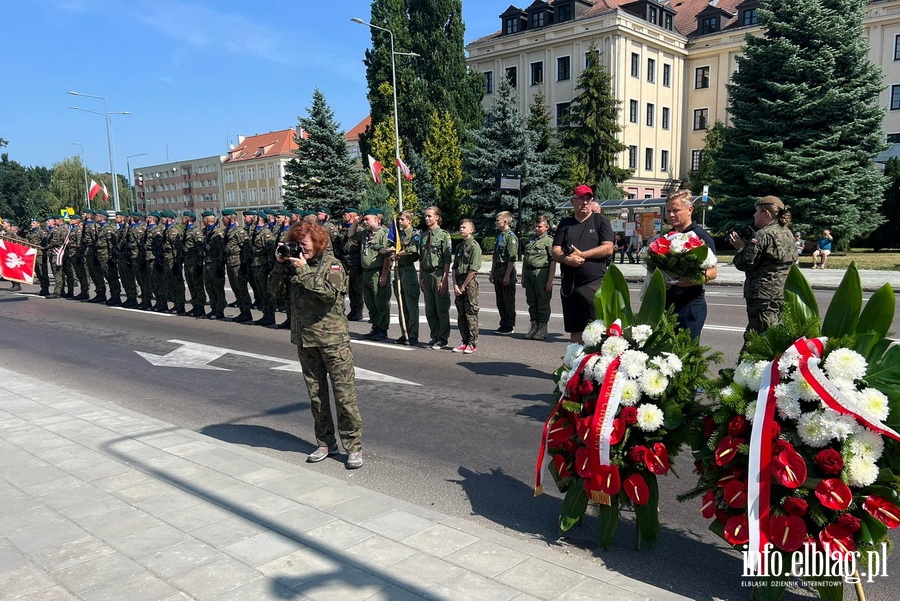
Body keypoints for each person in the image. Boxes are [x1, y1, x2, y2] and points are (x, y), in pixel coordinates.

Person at [269, 221, 363, 469]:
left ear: (318, 242)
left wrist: (303, 270)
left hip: (333, 341)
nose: (300, 249)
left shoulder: (332, 265)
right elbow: (272, 291)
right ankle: (325, 443)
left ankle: (353, 447)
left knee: (344, 397)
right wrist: (280, 265)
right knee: (317, 397)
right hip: (307, 341)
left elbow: (329, 294)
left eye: (304, 244)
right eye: (296, 244)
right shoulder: (296, 264)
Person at [729, 195, 798, 344]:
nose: (754, 215)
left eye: (757, 211)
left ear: (766, 213)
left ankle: (748, 366)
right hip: (782, 292)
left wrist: (741, 247)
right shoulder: (787, 232)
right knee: (774, 333)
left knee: (758, 337)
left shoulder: (763, 234)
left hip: (762, 294)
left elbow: (745, 263)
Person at [551, 185, 614, 343]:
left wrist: (582, 255)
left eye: (588, 199)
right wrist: (567, 260)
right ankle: (576, 364)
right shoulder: (566, 223)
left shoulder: (600, 221)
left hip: (593, 284)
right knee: (575, 328)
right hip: (570, 286)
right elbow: (555, 250)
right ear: (573, 201)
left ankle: (595, 364)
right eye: (581, 199)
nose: (585, 203)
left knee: (597, 328)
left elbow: (608, 248)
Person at [663, 189, 718, 339]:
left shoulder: (700, 236)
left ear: (690, 210)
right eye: (668, 211)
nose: (671, 215)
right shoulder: (667, 237)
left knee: (687, 353)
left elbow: (713, 272)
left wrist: (691, 279)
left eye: (676, 210)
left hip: (689, 304)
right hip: (668, 302)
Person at [353, 208, 391, 341]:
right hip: (366, 272)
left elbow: (387, 256)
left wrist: (384, 274)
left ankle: (382, 329)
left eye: (367, 219)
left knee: (381, 302)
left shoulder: (384, 233)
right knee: (370, 303)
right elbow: (350, 235)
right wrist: (355, 223)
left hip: (378, 271)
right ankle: (375, 327)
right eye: (364, 220)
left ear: (377, 219)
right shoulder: (365, 233)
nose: (365, 222)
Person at [418, 206, 453, 350]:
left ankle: (443, 338)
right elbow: (421, 258)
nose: (427, 218)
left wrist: (444, 280)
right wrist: (420, 277)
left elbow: (446, 260)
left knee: (441, 309)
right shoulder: (423, 236)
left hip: (438, 274)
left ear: (437, 217)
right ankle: (434, 336)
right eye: (426, 216)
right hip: (426, 274)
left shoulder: (444, 235)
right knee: (430, 309)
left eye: (430, 216)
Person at [522, 215, 556, 341]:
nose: (537, 228)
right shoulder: (531, 240)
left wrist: (550, 280)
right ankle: (534, 326)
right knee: (531, 301)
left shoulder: (549, 241)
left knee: (542, 302)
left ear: (546, 227)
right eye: (535, 226)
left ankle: (543, 327)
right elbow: (526, 260)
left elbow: (553, 261)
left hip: (541, 273)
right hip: (530, 273)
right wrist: (523, 276)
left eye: (540, 226)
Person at [452, 219, 482, 354]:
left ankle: (472, 342)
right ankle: (464, 341)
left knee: (471, 313)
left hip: (469, 283)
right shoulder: (460, 247)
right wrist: (455, 284)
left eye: (464, 227)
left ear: (471, 230)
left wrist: (463, 285)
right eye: (460, 227)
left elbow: (473, 269)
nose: (461, 229)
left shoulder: (474, 247)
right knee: (461, 313)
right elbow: (454, 268)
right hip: (459, 281)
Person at [391, 210, 420, 346]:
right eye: (400, 219)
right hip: (398, 270)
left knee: (411, 305)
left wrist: (397, 254)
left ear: (410, 221)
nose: (400, 221)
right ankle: (405, 332)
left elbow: (413, 249)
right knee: (401, 304)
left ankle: (413, 334)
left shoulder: (415, 234)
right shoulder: (399, 235)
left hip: (408, 270)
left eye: (403, 219)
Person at [222, 208, 253, 322]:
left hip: (238, 264)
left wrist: (244, 263)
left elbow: (246, 248)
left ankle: (246, 313)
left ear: (229, 218)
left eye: (224, 218)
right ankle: (242, 311)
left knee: (241, 289)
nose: (222, 220)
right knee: (235, 289)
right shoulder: (227, 230)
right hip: (230, 264)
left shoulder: (239, 231)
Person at [490, 211, 518, 335]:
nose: (496, 223)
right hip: (498, 271)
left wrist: (507, 275)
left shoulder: (511, 237)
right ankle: (503, 322)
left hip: (507, 270)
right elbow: (495, 256)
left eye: (498, 220)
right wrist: (492, 272)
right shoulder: (500, 236)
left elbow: (512, 258)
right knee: (500, 300)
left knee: (508, 300)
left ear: (505, 221)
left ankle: (509, 324)